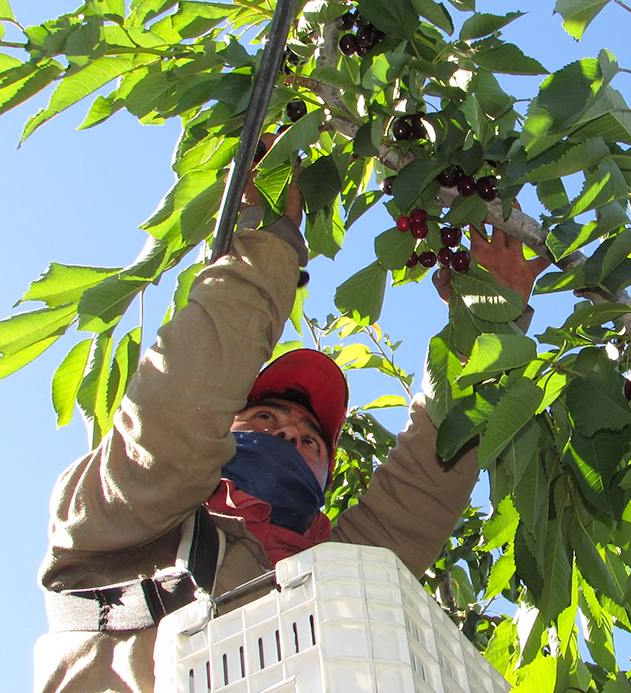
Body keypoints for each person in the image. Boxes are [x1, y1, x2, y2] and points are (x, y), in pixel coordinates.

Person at [32, 150, 548, 693]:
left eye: (309, 440)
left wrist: (490, 320)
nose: (286, 435)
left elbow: (422, 486)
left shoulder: (330, 568)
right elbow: (176, 414)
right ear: (221, 426)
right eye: (263, 417)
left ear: (326, 482)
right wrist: (265, 247)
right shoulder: (119, 512)